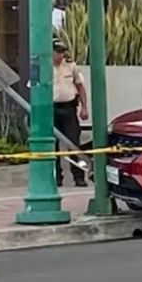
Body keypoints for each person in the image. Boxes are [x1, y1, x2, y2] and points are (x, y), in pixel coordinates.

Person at [52, 39, 88, 187]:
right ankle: (57, 178)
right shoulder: (43, 67)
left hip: (69, 108)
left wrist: (84, 108)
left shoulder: (71, 66)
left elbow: (80, 87)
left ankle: (79, 177)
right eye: (58, 52)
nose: (60, 55)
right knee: (52, 146)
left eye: (62, 52)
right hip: (50, 109)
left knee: (73, 143)